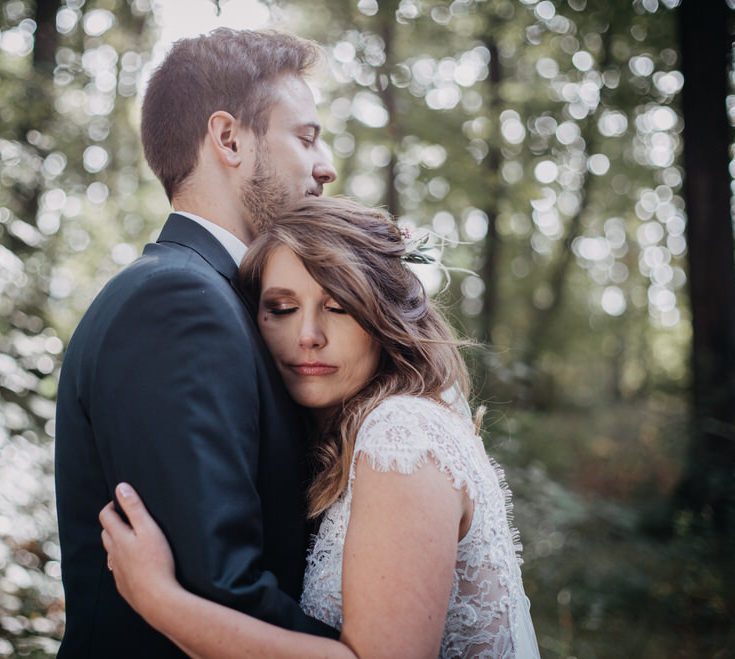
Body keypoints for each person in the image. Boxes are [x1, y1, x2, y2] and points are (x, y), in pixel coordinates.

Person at [99, 197, 541, 658]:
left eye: (338, 307)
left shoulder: (401, 433)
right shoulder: (342, 436)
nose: (308, 334)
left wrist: (158, 600)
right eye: (283, 309)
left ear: (383, 318)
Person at [54, 28, 338, 657]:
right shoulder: (179, 304)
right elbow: (218, 587)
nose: (327, 166)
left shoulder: (217, 297)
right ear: (228, 138)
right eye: (307, 136)